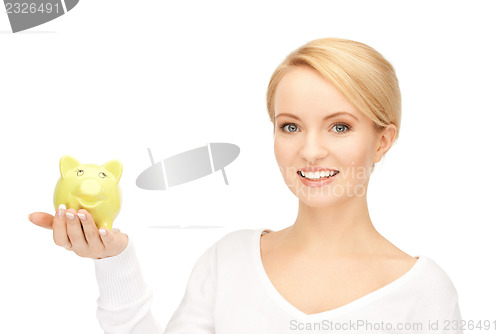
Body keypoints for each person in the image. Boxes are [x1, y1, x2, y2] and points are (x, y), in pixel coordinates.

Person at [29, 37, 463, 333]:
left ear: (383, 140)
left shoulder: (425, 292)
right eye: (290, 126)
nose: (310, 151)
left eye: (340, 127)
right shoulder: (228, 261)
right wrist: (114, 260)